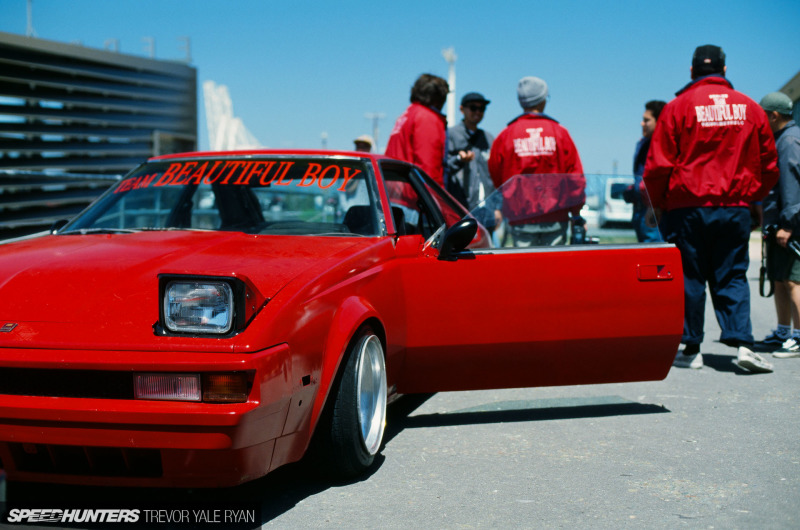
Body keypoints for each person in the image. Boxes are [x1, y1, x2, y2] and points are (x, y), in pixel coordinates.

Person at [643, 44, 779, 372]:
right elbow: (769, 165)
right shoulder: (751, 109)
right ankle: (743, 345)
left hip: (686, 207)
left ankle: (691, 349)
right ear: (725, 70)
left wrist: (657, 204)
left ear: (692, 72)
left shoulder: (677, 108)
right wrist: (751, 196)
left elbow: (659, 165)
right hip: (733, 207)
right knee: (732, 274)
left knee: (690, 276)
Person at [488, 76, 585, 247]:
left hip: (520, 217)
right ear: (542, 100)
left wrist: (510, 201)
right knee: (553, 269)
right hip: (555, 216)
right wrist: (575, 212)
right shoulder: (559, 132)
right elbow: (575, 178)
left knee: (525, 270)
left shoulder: (507, 134)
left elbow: (497, 175)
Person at [758, 91, 800, 358]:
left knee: (794, 281)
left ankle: (798, 336)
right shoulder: (781, 139)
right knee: (780, 279)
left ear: (773, 116)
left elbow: (792, 187)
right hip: (779, 224)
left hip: (791, 226)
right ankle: (784, 331)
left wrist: (788, 224)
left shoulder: (790, 142)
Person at [446, 92, 501, 233]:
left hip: (487, 211)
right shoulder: (450, 135)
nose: (477, 112)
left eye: (481, 109)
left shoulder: (488, 138)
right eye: (473, 108)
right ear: (462, 109)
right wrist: (459, 160)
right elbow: (443, 168)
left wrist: (497, 208)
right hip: (460, 210)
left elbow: (495, 176)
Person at [385, 74, 449, 186]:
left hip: (394, 189)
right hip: (412, 196)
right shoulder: (427, 118)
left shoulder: (407, 114)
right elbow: (428, 169)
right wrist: (436, 200)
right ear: (440, 98)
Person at [627, 100, 666, 242]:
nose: (642, 124)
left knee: (654, 254)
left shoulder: (663, 145)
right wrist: (633, 191)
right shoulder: (643, 144)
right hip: (640, 209)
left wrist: (654, 205)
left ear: (659, 120)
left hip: (654, 210)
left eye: (646, 120)